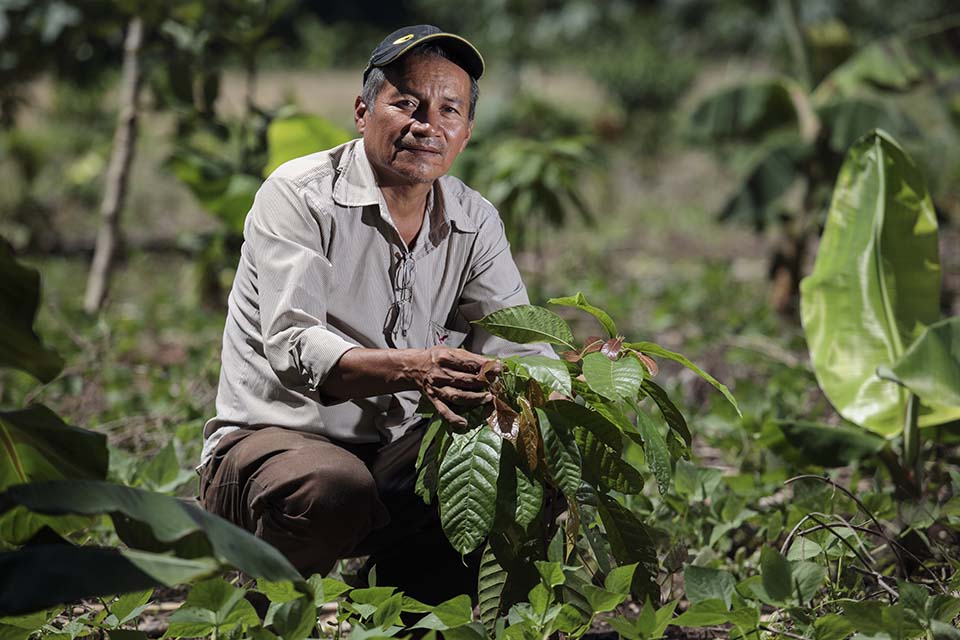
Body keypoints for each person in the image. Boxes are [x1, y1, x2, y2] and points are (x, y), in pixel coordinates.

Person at [197, 25, 553, 604]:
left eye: (448, 110)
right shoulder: (299, 195)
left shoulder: (473, 218)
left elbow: (517, 342)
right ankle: (260, 606)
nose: (425, 125)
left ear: (466, 131)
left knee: (513, 461)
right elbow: (295, 345)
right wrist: (414, 367)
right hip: (274, 447)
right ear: (363, 112)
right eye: (405, 104)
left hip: (393, 451)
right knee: (334, 486)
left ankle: (400, 602)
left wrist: (559, 390)